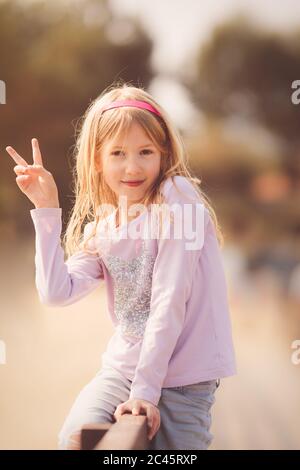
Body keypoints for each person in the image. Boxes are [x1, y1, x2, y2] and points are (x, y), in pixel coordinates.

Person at [6, 82, 237, 450]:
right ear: (97, 160)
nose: (132, 166)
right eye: (117, 153)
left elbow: (169, 298)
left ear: (163, 153)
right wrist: (46, 209)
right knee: (75, 440)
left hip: (183, 379)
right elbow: (55, 292)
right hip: (122, 372)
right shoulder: (105, 226)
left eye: (145, 151)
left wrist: (146, 393)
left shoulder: (178, 199)